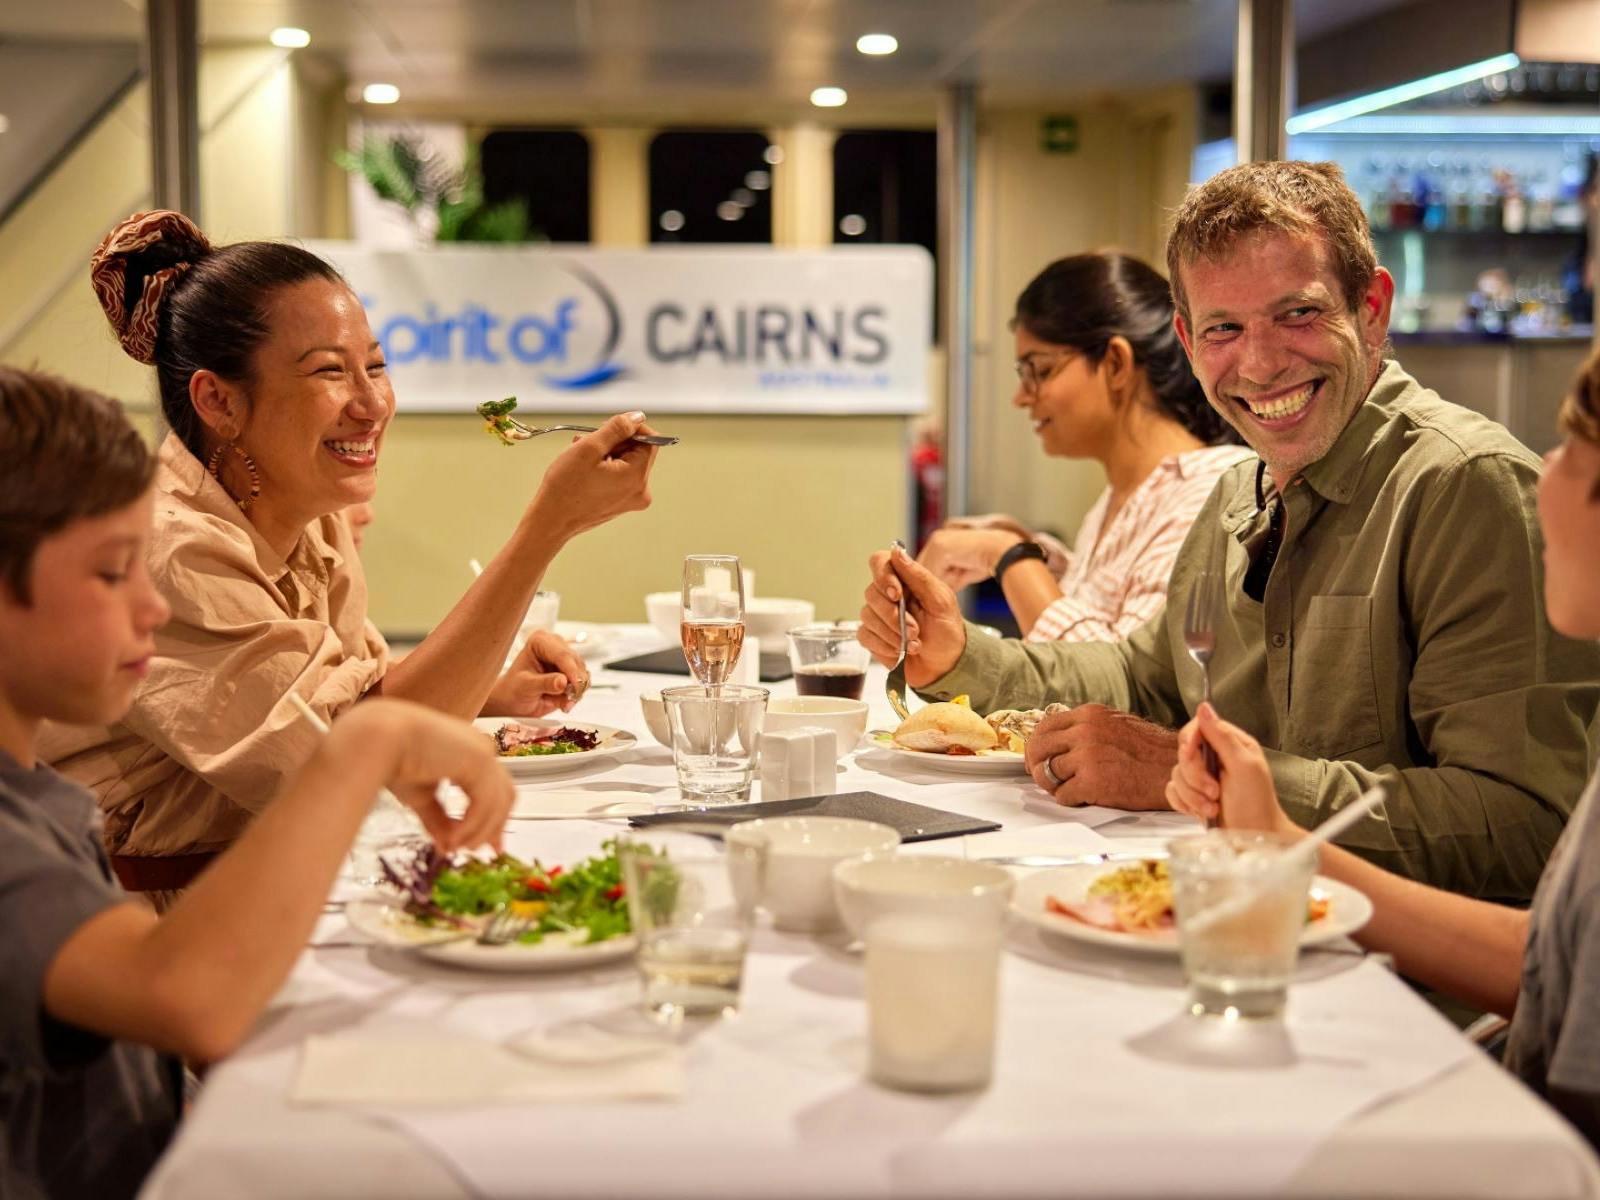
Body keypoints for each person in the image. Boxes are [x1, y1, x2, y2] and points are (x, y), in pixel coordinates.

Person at [860, 161, 1600, 902]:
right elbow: (1143, 678)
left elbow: (1524, 828)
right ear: (1186, 338)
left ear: (1372, 308)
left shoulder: (1467, 487)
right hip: (1236, 921)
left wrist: (1200, 774)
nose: (1261, 362)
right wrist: (965, 659)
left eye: (1299, 314)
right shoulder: (1236, 492)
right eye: (1224, 328)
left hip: (1402, 989)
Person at [0, 366, 515, 1199]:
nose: (153, 607)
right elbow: (185, 996)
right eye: (109, 573)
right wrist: (361, 748)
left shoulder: (37, 802)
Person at [42, 210, 657, 900]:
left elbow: (356, 699)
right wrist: (546, 529)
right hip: (144, 925)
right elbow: (349, 763)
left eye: (376, 366)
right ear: (217, 400)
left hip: (270, 885)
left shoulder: (309, 515)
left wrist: (485, 689)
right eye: (330, 372)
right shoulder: (171, 550)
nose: (372, 405)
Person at [1166, 347, 1600, 1148]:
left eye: (1577, 444)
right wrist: (1286, 849)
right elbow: (1545, 973)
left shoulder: (1467, 479)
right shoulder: (1239, 488)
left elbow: (1572, 1099)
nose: (1544, 467)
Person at [919, 252, 1248, 642]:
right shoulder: (1119, 496)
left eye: (1038, 370)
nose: (1022, 397)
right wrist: (1036, 557)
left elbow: (1122, 687)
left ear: (1114, 363)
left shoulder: (1213, 492)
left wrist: (1008, 557)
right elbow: (1111, 616)